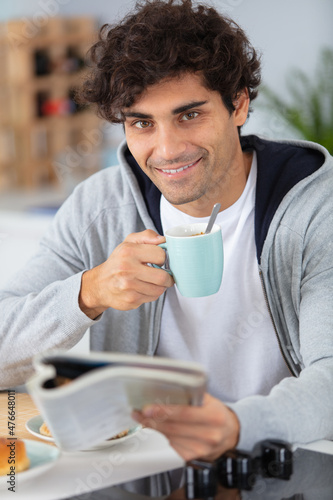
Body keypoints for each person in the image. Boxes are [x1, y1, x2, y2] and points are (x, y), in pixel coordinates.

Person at [0, 0, 332, 470]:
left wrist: (238, 426)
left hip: (279, 459)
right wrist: (88, 292)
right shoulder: (100, 207)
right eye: (141, 123)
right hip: (141, 465)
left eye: (189, 115)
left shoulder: (318, 207)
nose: (167, 149)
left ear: (238, 104)